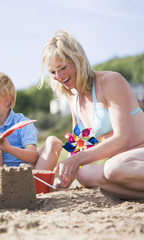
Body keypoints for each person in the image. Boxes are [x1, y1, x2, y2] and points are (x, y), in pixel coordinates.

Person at [40, 29, 144, 199]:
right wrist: (65, 174)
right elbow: (80, 145)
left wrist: (78, 159)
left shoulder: (110, 81)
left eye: (63, 67)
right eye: (52, 72)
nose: (58, 76)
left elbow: (122, 140)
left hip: (137, 154)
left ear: (77, 60)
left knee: (113, 168)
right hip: (123, 165)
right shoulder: (73, 99)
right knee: (85, 175)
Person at [0, 72, 60, 191]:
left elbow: (33, 157)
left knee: (54, 142)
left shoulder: (22, 124)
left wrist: (8, 148)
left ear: (6, 101)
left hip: (23, 179)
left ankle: (36, 189)